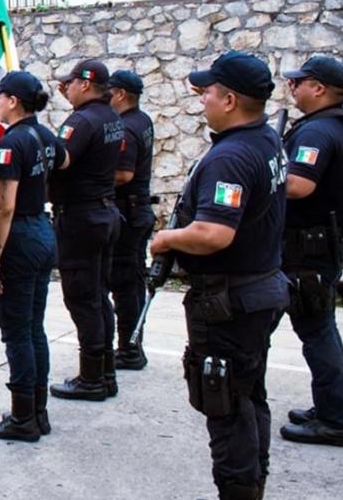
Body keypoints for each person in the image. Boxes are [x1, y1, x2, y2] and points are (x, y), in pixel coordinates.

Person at [149, 51, 289, 499]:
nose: (202, 99)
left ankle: (239, 489)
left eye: (208, 92)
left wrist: (167, 241)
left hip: (232, 301)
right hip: (258, 289)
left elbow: (212, 234)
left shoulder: (231, 157)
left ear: (229, 100)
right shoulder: (265, 139)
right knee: (249, 397)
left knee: (226, 404)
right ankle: (253, 481)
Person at [0, 71, 64, 443]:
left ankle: (22, 417)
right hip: (43, 231)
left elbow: (3, 206)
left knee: (16, 332)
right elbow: (62, 162)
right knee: (34, 328)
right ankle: (38, 411)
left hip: (19, 237)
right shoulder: (44, 135)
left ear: (13, 101)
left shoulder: (11, 143)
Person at [48, 59, 124, 402]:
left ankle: (92, 377)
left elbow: (60, 160)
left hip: (82, 217)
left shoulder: (81, 121)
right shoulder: (109, 116)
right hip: (105, 211)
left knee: (81, 297)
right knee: (98, 295)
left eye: (70, 83)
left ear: (84, 83)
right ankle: (104, 371)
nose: (66, 89)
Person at [277, 56, 343, 447]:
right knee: (318, 328)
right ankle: (332, 406)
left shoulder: (318, 132)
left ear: (318, 88)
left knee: (317, 331)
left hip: (307, 248)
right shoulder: (330, 124)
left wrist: (258, 174)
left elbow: (299, 186)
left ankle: (335, 418)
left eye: (298, 82)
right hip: (319, 244)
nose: (292, 88)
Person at [108, 70, 156, 370]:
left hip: (128, 211)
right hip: (138, 210)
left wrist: (90, 177)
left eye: (108, 92)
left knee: (124, 284)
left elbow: (123, 174)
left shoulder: (126, 128)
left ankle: (128, 348)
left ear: (122, 94)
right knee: (132, 282)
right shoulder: (142, 119)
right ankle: (133, 342)